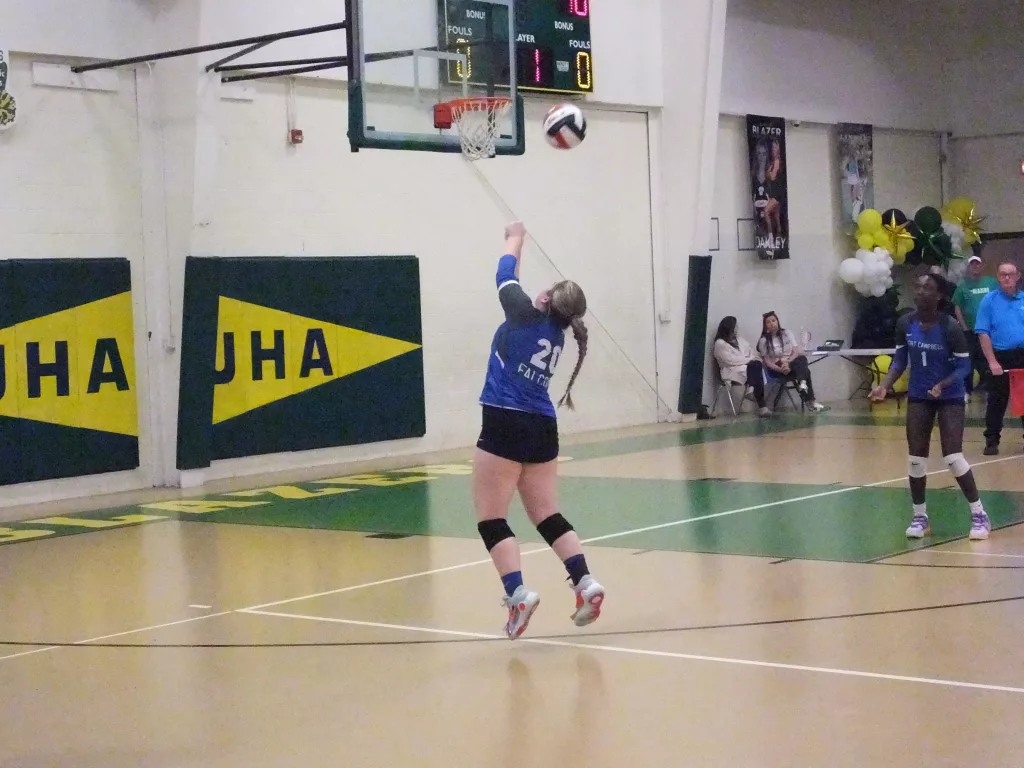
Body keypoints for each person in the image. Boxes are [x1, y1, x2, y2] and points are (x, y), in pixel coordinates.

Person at [472, 220, 605, 640]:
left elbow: (504, 274)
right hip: (543, 425)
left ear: (546, 298)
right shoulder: (558, 333)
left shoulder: (523, 314)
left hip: (504, 418)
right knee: (547, 514)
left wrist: (516, 237)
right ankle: (585, 582)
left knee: (491, 517)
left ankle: (517, 595)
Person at [870, 274, 991, 540]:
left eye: (928, 287)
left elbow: (964, 366)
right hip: (919, 396)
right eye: (917, 286)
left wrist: (943, 384)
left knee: (953, 457)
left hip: (949, 397)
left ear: (939, 296)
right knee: (916, 459)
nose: (921, 291)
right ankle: (920, 517)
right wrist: (885, 385)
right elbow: (900, 360)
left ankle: (979, 514)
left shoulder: (950, 327)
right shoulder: (905, 323)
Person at [974, 260, 1024, 455]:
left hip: (1022, 355)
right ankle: (992, 440)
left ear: (1018, 277)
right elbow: (982, 332)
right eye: (1003, 274)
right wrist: (992, 361)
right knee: (997, 400)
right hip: (1000, 356)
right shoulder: (989, 300)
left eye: (1011, 274)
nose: (1007, 277)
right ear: (998, 277)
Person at [756, 311, 828, 412]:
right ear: (765, 326)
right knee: (806, 371)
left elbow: (795, 351)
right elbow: (768, 362)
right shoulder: (763, 341)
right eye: (768, 322)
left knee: (801, 358)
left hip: (790, 363)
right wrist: (781, 369)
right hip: (777, 368)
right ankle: (808, 396)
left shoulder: (787, 333)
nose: (772, 323)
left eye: (773, 320)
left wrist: (787, 362)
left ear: (777, 321)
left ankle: (804, 387)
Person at [951, 254, 998, 399]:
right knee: (969, 360)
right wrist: (964, 327)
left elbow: (999, 301)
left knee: (988, 359)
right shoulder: (962, 286)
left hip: (989, 331)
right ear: (969, 267)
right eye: (972, 264)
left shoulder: (992, 283)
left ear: (982, 266)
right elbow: (957, 307)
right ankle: (967, 390)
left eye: (978, 264)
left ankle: (990, 388)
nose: (975, 266)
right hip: (970, 331)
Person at [712, 316, 771, 417]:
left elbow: (751, 352)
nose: (737, 328)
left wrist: (750, 359)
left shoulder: (740, 340)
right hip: (731, 370)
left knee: (756, 365)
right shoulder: (720, 343)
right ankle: (761, 405)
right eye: (735, 326)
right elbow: (730, 360)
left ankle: (752, 389)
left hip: (746, 368)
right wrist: (748, 359)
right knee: (755, 366)